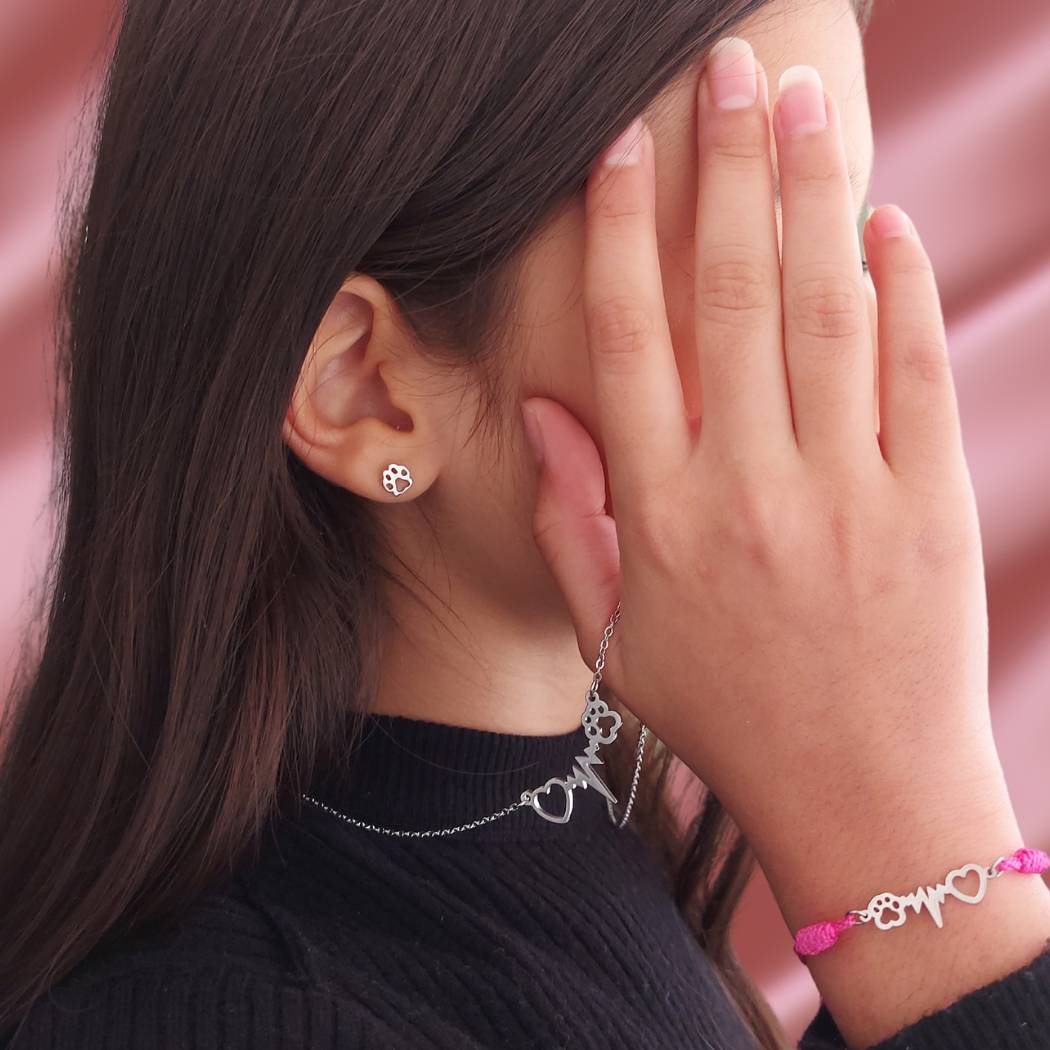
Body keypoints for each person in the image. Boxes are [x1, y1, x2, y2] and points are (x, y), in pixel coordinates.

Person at [2, 0, 1048, 1046]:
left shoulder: (591, 816)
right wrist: (918, 856)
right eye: (759, 263)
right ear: (367, 390)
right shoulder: (225, 1018)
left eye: (842, 228)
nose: (844, 343)